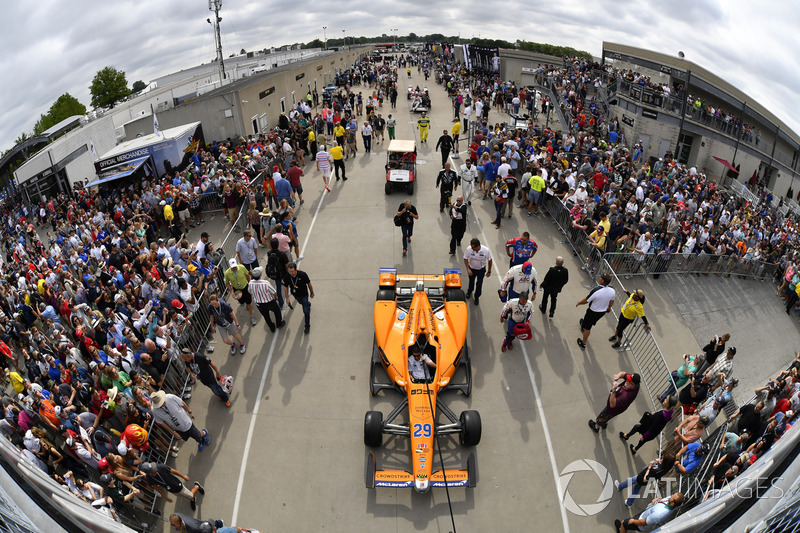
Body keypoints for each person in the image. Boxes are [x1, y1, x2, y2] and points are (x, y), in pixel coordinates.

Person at [140, 461, 204, 510]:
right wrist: (165, 496)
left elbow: (173, 471)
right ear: (149, 473)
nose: (156, 469)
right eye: (153, 470)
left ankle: (196, 486)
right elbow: (156, 487)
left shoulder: (160, 467)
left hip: (176, 484)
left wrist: (183, 476)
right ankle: (191, 498)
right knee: (182, 495)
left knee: (190, 495)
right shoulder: (148, 479)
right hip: (171, 489)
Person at [575, 273, 616, 350]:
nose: (600, 278)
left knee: (588, 327)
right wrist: (609, 307)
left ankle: (583, 344)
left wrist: (579, 303)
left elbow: (586, 300)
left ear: (602, 281)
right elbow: (612, 301)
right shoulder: (612, 290)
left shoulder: (596, 290)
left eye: (601, 277)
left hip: (593, 311)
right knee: (588, 320)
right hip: (602, 312)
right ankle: (584, 324)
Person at [615, 492, 684, 532]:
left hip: (641, 522)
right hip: (646, 513)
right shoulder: (672, 503)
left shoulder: (659, 514)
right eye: (672, 495)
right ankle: (622, 529)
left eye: (672, 497)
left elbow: (644, 522)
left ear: (672, 504)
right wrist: (658, 499)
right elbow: (664, 499)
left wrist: (633, 521)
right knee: (626, 524)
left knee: (624, 523)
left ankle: (621, 529)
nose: (670, 496)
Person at [249, 266, 284, 333]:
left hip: (259, 304)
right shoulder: (265, 283)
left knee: (266, 316)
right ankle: (279, 324)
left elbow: (250, 291)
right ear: (260, 275)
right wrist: (276, 297)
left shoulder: (250, 283)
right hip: (269, 302)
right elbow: (273, 292)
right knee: (277, 311)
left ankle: (272, 327)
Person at [283, 262, 314, 334]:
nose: (291, 273)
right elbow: (285, 287)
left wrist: (312, 292)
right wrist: (287, 298)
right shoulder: (287, 276)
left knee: (306, 311)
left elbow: (309, 284)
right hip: (296, 295)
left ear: (296, 270)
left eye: (292, 271)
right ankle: (308, 304)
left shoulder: (303, 274)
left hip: (304, 295)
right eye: (290, 271)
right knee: (302, 303)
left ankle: (307, 326)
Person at [224, 258, 256, 328]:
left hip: (245, 288)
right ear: (229, 266)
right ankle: (244, 302)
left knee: (249, 303)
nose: (234, 268)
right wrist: (231, 292)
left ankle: (252, 316)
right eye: (233, 267)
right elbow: (227, 283)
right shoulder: (227, 273)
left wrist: (249, 283)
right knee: (242, 302)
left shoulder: (242, 267)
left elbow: (247, 275)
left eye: (235, 266)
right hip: (237, 290)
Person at [463, 238, 492, 305]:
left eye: (473, 247)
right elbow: (465, 258)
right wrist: (468, 269)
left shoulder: (485, 250)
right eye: (471, 247)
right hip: (471, 269)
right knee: (471, 282)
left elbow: (490, 260)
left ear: (478, 246)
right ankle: (469, 291)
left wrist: (489, 271)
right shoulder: (469, 249)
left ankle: (476, 297)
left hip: (481, 270)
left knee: (479, 284)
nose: (472, 248)